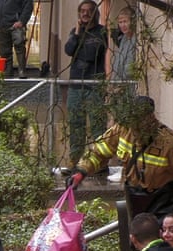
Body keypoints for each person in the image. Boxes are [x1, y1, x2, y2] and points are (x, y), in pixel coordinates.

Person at [69, 95, 173, 251]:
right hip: (135, 203)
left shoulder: (172, 145)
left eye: (138, 122)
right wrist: (81, 172)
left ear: (150, 118)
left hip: (164, 205)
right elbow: (98, 152)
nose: (134, 128)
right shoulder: (122, 130)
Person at [64, 0, 107, 164]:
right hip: (76, 86)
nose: (85, 14)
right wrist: (76, 33)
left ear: (95, 14)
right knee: (76, 124)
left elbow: (91, 54)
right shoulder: (75, 31)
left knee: (97, 126)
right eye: (82, 11)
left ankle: (99, 162)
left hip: (94, 86)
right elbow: (69, 50)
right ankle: (75, 160)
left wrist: (79, 45)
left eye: (89, 11)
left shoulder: (101, 32)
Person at [0, 0, 34, 79]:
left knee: (19, 45)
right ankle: (8, 72)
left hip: (16, 24)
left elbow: (28, 5)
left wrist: (22, 21)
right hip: (0, 24)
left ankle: (22, 70)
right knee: (4, 50)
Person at [109, 6, 138, 88]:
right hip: (119, 84)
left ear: (132, 22)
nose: (122, 25)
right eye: (120, 22)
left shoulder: (136, 39)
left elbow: (131, 66)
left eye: (125, 21)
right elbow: (117, 62)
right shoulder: (123, 39)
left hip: (130, 84)